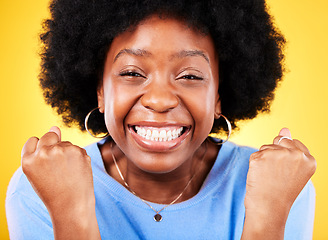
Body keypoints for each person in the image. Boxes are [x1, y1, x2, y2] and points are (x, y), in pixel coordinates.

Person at [6, 0, 316, 239]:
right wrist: (70, 213)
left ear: (219, 94)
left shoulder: (282, 186)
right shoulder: (40, 187)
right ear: (99, 90)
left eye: (191, 75)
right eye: (131, 73)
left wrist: (268, 215)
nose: (160, 99)